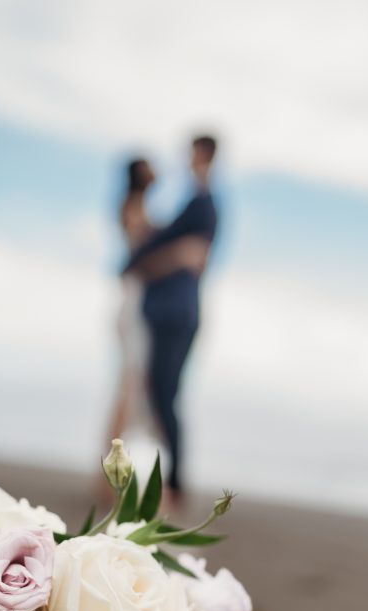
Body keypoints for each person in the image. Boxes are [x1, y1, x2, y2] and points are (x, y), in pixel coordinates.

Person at [124, 135, 218, 499]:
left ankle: (171, 481)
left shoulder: (201, 205)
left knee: (161, 394)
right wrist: (177, 256)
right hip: (163, 311)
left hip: (173, 312)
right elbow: (137, 261)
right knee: (152, 393)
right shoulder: (147, 211)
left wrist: (171, 256)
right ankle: (163, 480)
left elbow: (192, 255)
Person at [106, 157, 156, 444]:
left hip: (135, 300)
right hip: (135, 303)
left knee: (130, 385)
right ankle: (111, 468)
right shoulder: (134, 208)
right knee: (129, 385)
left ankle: (110, 470)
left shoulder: (136, 207)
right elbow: (141, 257)